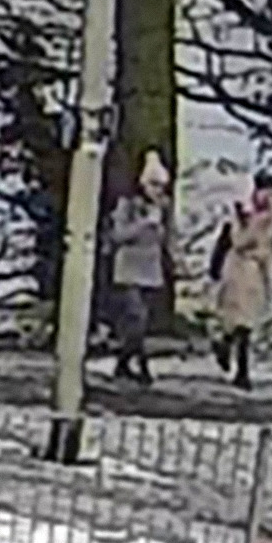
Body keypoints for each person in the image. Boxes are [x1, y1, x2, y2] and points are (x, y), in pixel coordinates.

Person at [211, 172, 272, 390]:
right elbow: (239, 241)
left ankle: (226, 344)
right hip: (240, 269)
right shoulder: (246, 216)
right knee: (242, 321)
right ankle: (241, 370)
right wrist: (247, 223)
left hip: (258, 271)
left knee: (247, 322)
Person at [108, 149, 173, 385]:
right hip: (129, 268)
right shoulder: (128, 206)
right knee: (136, 315)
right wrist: (145, 224)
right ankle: (141, 365)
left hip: (150, 269)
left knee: (141, 321)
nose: (158, 191)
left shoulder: (163, 207)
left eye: (161, 186)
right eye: (154, 186)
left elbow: (165, 241)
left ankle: (124, 361)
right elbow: (118, 235)